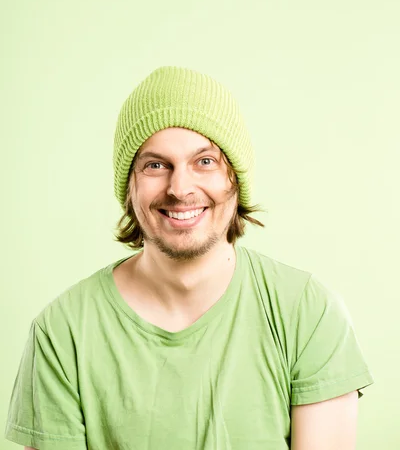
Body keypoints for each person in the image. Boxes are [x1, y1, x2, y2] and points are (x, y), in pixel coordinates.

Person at [5, 66, 374, 450]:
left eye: (205, 162)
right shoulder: (62, 332)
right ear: (129, 186)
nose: (180, 188)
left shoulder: (307, 312)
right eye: (156, 165)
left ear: (236, 178)